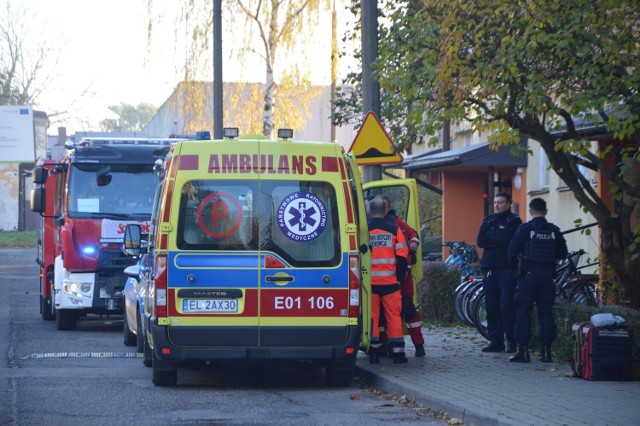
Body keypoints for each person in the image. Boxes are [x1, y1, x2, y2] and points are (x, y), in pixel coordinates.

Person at [507, 198, 568, 363]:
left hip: (527, 277)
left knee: (523, 312)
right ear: (546, 211)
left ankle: (524, 351)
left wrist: (516, 271)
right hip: (547, 277)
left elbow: (511, 252)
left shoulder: (524, 229)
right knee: (546, 312)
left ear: (530, 211)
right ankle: (546, 351)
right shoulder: (554, 230)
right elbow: (563, 253)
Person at [376, 194, 425, 357]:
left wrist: (414, 243)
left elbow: (412, 236)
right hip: (387, 277)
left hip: (401, 277)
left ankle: (419, 345)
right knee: (383, 315)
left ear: (388, 208)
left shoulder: (397, 223)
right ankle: (384, 347)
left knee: (408, 309)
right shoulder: (378, 224)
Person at [476, 192, 522, 353]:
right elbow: (481, 241)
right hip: (489, 269)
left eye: (500, 202)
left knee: (507, 305)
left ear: (509, 204)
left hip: (506, 269)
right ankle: (496, 341)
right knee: (491, 305)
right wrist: (498, 239)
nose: (496, 205)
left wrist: (494, 238)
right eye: (495, 202)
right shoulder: (488, 220)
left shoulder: (514, 221)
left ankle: (511, 341)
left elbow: (508, 239)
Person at [367, 197, 410, 364]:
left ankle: (374, 353)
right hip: (390, 283)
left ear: (370, 211)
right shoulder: (394, 230)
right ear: (386, 211)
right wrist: (399, 278)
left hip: (369, 285)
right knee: (393, 317)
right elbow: (402, 256)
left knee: (373, 319)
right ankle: (397, 353)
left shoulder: (364, 231)